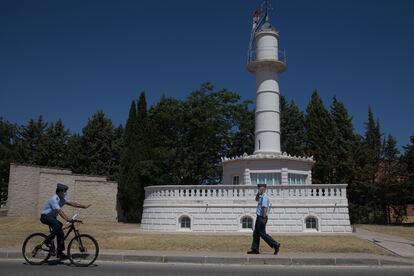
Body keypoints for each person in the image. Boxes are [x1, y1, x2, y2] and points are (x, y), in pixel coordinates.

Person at [40, 183, 91, 259]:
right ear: (60, 192)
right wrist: (67, 219)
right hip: (45, 217)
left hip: (52, 218)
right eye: (64, 191)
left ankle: (59, 253)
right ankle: (48, 240)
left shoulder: (62, 199)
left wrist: (84, 206)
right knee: (58, 225)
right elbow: (59, 211)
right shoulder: (54, 199)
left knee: (61, 233)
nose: (65, 193)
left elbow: (72, 204)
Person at [247, 183, 280, 255]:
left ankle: (275, 244)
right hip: (259, 217)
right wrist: (258, 193)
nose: (258, 189)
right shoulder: (261, 196)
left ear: (264, 188)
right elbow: (256, 199)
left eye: (260, 188)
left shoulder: (265, 197)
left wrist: (264, 218)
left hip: (262, 217)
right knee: (256, 234)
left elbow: (264, 208)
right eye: (258, 188)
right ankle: (255, 249)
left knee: (262, 233)